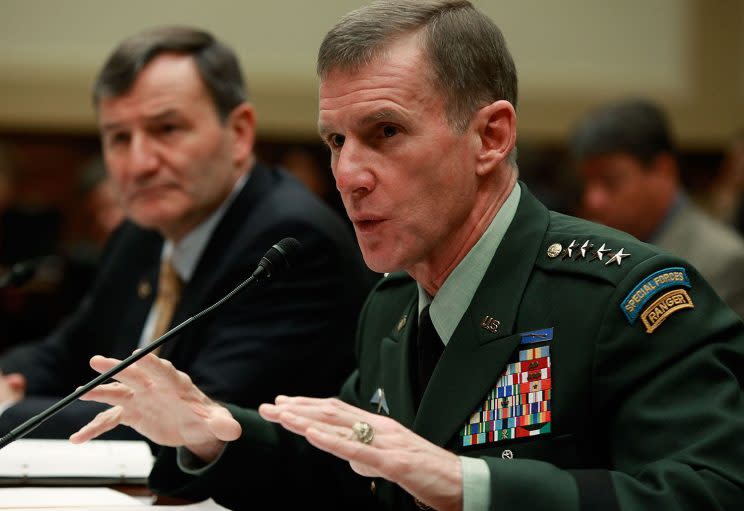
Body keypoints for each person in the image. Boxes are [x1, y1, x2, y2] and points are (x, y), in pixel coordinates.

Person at [70, 2, 744, 510]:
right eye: (336, 140)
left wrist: (468, 484)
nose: (348, 174)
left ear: (490, 136)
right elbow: (353, 463)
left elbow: (711, 490)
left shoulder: (626, 297)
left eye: (384, 131)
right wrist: (216, 431)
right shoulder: (392, 303)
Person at [0, 26, 372, 440]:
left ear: (239, 133)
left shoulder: (289, 244)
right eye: (120, 137)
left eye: (167, 129)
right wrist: (7, 379)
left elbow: (193, 421)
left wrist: (8, 411)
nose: (139, 163)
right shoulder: (142, 231)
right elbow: (67, 352)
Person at [571, 98, 744, 318]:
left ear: (664, 170)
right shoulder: (587, 248)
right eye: (587, 182)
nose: (593, 199)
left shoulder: (723, 260)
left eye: (610, 181)